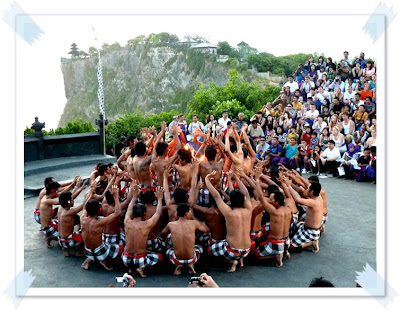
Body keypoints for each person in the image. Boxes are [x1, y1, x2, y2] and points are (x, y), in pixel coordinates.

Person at [206, 171, 253, 273]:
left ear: (231, 201)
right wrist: (236, 178)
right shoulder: (249, 209)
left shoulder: (229, 212)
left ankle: (232, 262)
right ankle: (240, 260)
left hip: (232, 251)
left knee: (210, 249)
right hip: (247, 250)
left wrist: (207, 179)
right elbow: (246, 193)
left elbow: (216, 196)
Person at [122, 185, 164, 277]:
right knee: (160, 257)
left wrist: (134, 197)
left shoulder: (127, 221)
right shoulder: (146, 224)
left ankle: (130, 267)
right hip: (139, 259)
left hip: (125, 258)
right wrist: (160, 199)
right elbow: (158, 213)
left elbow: (129, 210)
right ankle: (140, 267)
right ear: (144, 214)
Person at [80, 185, 123, 271]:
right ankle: (103, 260)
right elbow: (118, 213)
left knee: (101, 240)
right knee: (122, 247)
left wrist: (91, 194)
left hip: (88, 252)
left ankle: (89, 260)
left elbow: (84, 207)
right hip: (100, 253)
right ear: (99, 210)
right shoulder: (100, 222)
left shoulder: (82, 218)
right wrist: (116, 196)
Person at [161, 203, 209, 275]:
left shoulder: (170, 225)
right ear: (186, 213)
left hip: (176, 260)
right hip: (191, 259)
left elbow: (162, 233)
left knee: (169, 249)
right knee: (200, 247)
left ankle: (179, 265)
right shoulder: (194, 223)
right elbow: (206, 229)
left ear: (177, 213)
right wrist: (193, 217)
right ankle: (190, 265)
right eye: (190, 212)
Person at [288, 181, 323, 253]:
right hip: (307, 227)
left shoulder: (313, 202)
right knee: (292, 225)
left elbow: (297, 199)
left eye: (307, 189)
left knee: (290, 247)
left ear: (311, 192)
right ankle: (312, 239)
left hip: (311, 231)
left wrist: (289, 186)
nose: (305, 189)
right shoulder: (318, 197)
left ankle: (311, 242)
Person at [58, 188, 90, 257]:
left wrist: (80, 188)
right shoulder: (69, 212)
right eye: (72, 200)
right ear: (69, 202)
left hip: (61, 240)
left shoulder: (60, 208)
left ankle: (66, 250)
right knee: (85, 233)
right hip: (68, 242)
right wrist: (91, 192)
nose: (74, 201)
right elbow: (84, 205)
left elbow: (70, 197)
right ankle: (79, 252)